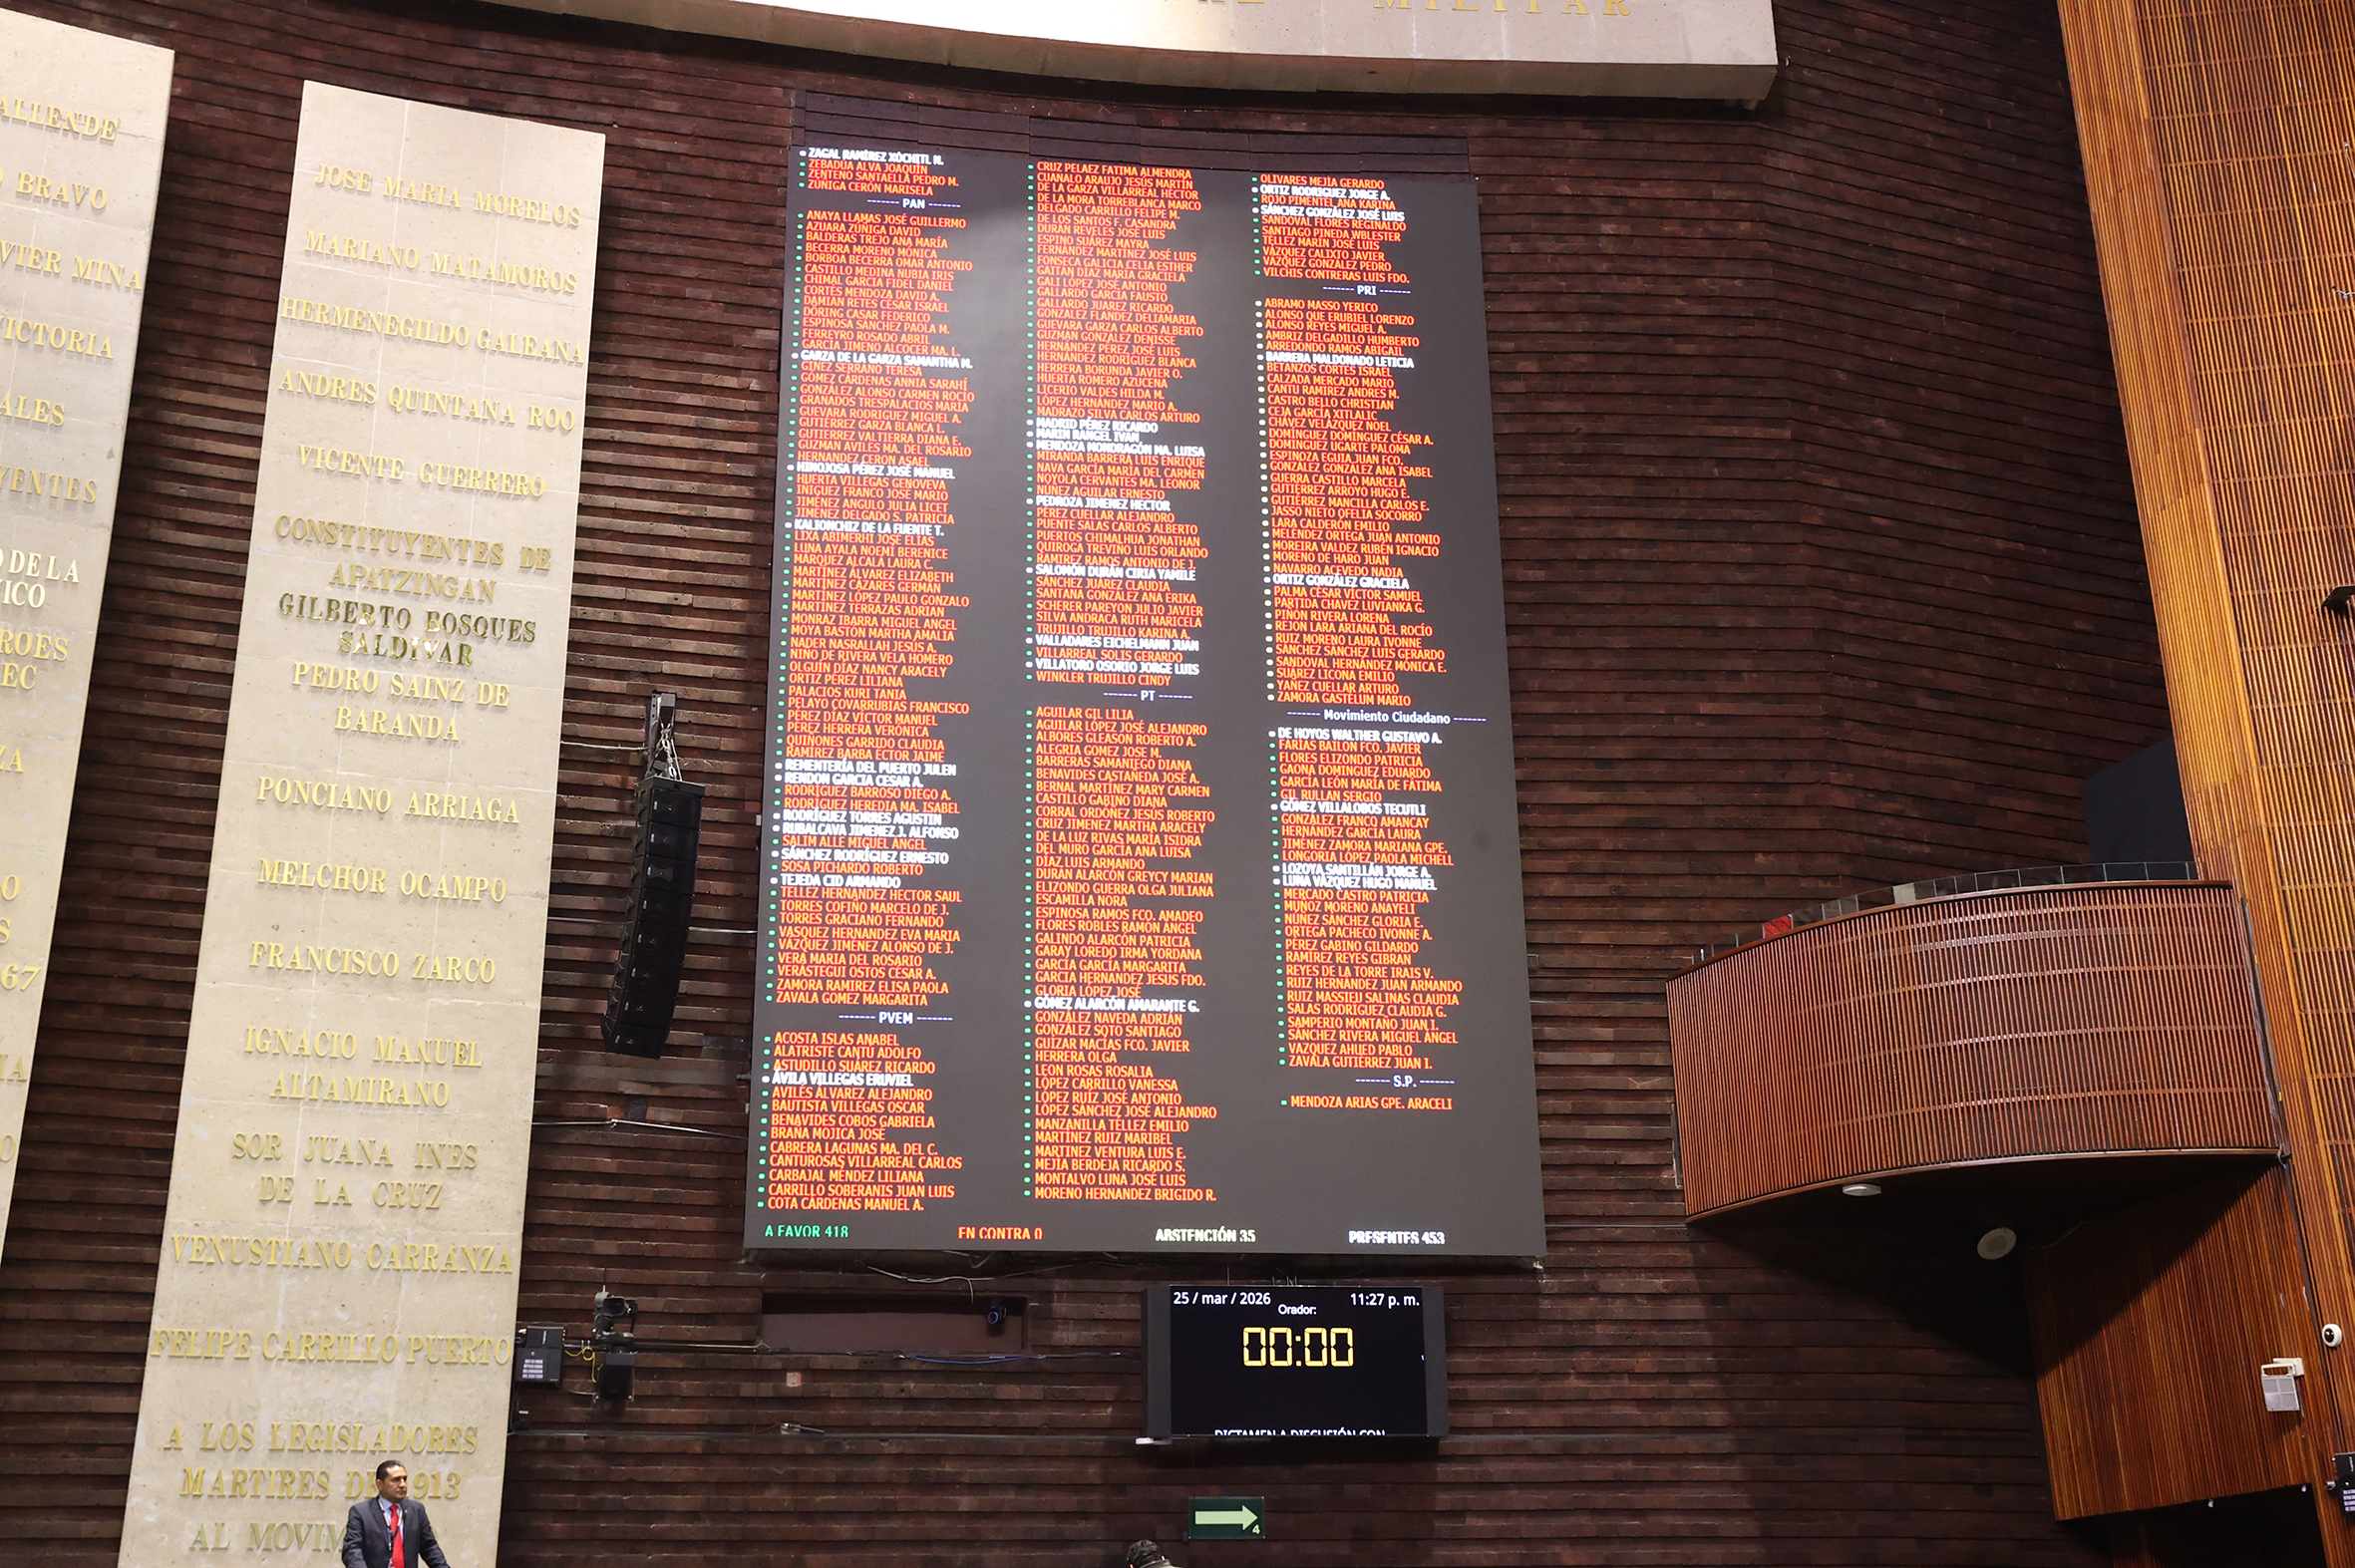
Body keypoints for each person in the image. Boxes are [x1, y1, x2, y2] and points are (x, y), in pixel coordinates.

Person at [341, 1460, 452, 1568]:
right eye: (396, 1480)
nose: (402, 1485)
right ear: (380, 1484)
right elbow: (352, 1550)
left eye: (405, 1479)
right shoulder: (362, 1513)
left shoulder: (416, 1510)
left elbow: (430, 1548)